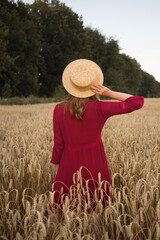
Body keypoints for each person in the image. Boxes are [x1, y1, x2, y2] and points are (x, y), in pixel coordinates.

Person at [48, 59, 144, 218]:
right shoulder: (100, 108)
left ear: (71, 86)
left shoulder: (58, 109)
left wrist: (58, 169)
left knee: (64, 212)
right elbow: (137, 102)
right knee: (96, 209)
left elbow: (58, 144)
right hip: (95, 164)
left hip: (68, 164)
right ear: (94, 86)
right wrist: (109, 93)